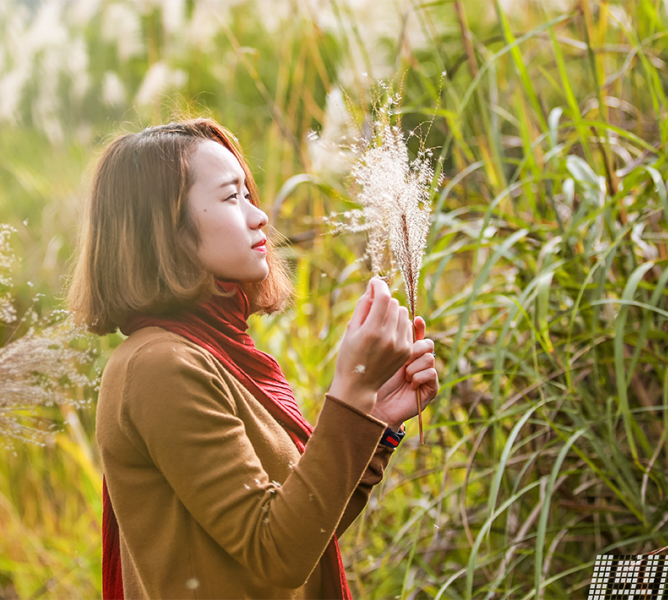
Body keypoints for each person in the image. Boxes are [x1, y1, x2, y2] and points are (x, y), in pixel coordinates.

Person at [67, 118, 439, 600]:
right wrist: (350, 385)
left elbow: (305, 533)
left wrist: (374, 418)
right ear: (166, 228)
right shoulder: (160, 366)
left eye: (248, 193)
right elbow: (276, 554)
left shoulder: (218, 355)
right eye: (230, 197)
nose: (259, 215)